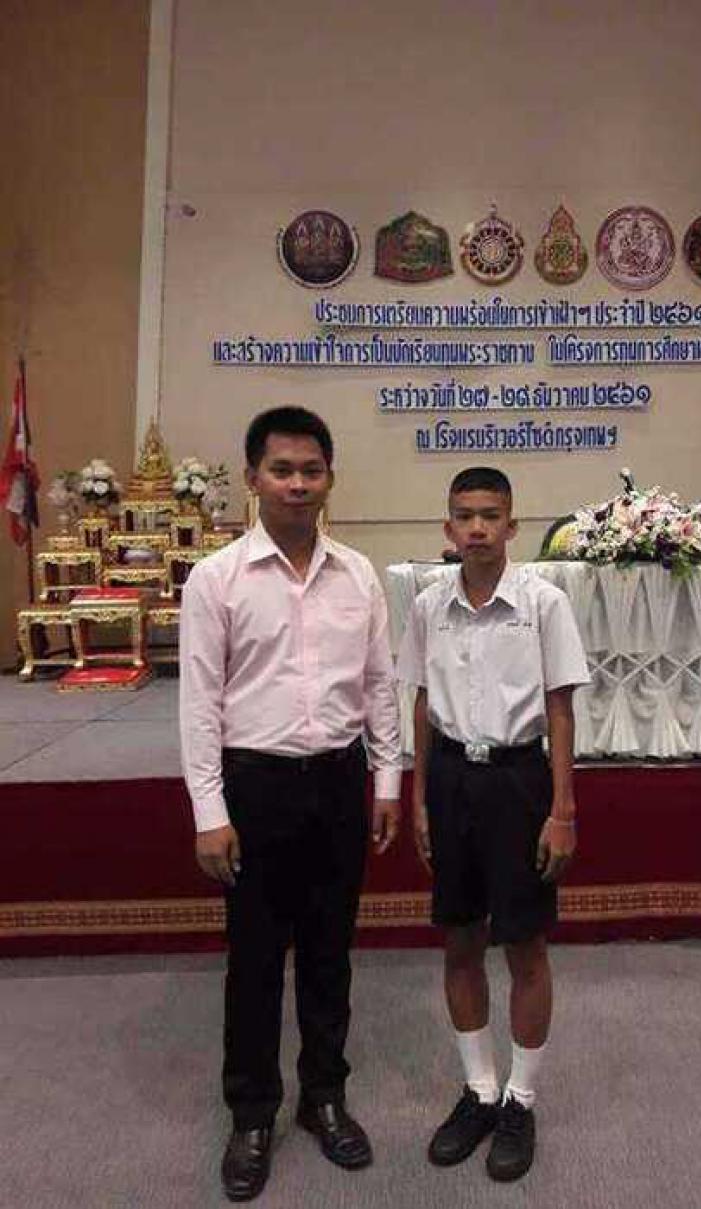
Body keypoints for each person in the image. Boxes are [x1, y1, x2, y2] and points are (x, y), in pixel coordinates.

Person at [179, 406, 402, 1202]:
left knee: (330, 953)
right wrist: (210, 810)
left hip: (339, 783)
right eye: (282, 470)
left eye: (311, 470)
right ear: (253, 478)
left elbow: (379, 685)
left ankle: (324, 1096)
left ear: (329, 477)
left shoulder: (359, 575)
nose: (297, 484)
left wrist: (386, 781)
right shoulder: (217, 579)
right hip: (256, 788)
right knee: (254, 962)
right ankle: (251, 1113)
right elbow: (199, 703)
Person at [397, 466, 590, 1182]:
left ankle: (520, 1099)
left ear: (512, 525)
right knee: (460, 939)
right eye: (464, 515)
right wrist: (419, 797)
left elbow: (561, 709)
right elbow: (422, 703)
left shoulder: (543, 604)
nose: (476, 528)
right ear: (447, 526)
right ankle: (479, 1089)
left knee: (525, 945)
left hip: (519, 782)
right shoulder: (428, 606)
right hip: (451, 779)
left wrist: (562, 810)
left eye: (490, 515)